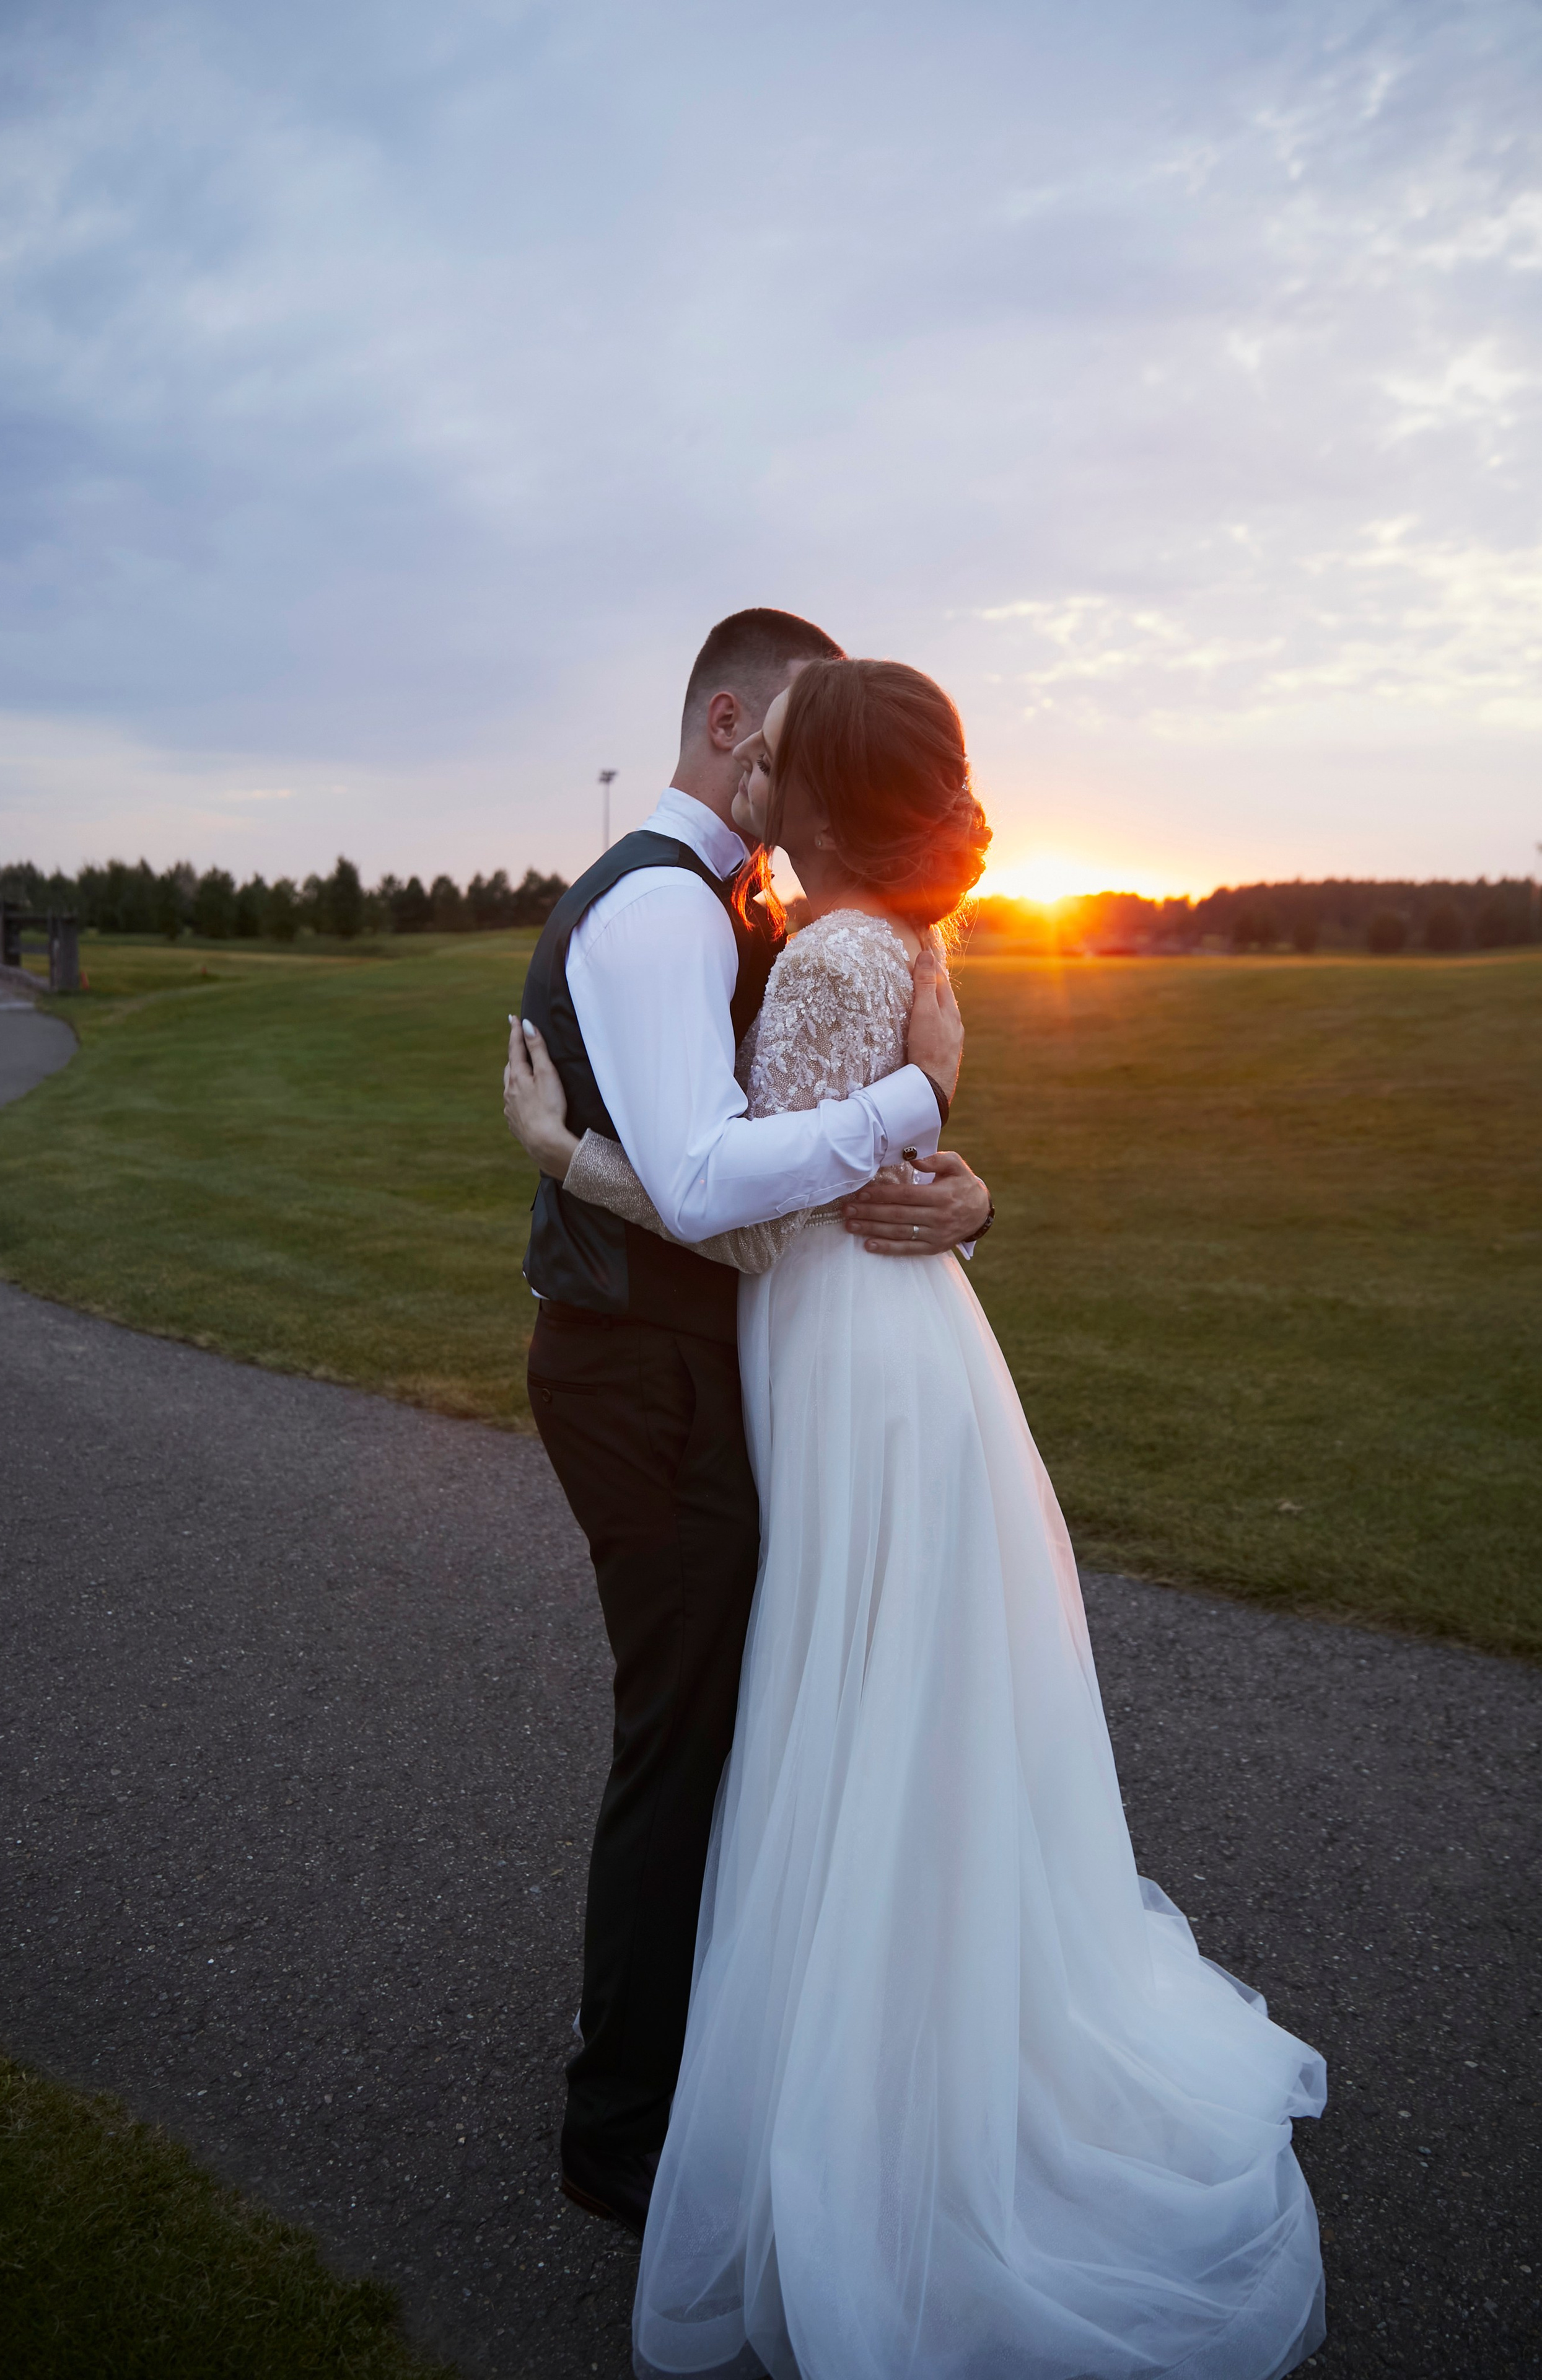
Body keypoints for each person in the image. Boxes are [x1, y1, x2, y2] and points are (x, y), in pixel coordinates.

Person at [506, 656, 1326, 2380]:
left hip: (846, 1356)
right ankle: (880, 2038)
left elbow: (741, 1219)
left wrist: (569, 1154)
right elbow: (846, 1163)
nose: (763, 772)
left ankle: (843, 2097)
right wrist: (941, 1147)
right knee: (888, 1708)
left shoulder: (824, 948)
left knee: (841, 1704)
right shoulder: (889, 932)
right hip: (901, 1346)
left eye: (787, 756)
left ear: (811, 792)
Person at [509, 611, 992, 2241]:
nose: (804, 765)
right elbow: (712, 1184)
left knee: (749, 1719)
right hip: (639, 1371)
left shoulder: (765, 904)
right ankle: (622, 2130)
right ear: (730, 721)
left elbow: (794, 1136)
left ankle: (720, 2060)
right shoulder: (656, 910)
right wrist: (920, 1107)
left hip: (728, 1355)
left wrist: (956, 1178)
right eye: (790, 733)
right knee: (688, 1729)